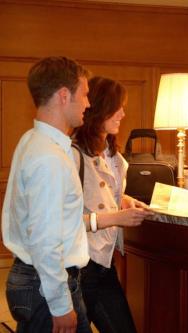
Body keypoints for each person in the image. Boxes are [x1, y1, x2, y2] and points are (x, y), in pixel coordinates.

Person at [2, 56, 92, 332]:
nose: (88, 104)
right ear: (64, 96)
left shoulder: (32, 140)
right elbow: (44, 239)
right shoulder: (49, 158)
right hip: (45, 286)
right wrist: (60, 305)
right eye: (85, 94)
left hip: (35, 281)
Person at [72, 76, 153, 333]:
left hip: (105, 264)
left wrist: (128, 202)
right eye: (117, 107)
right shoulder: (74, 154)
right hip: (82, 265)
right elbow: (65, 220)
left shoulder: (111, 153)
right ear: (99, 109)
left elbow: (110, 196)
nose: (122, 113)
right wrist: (117, 217)